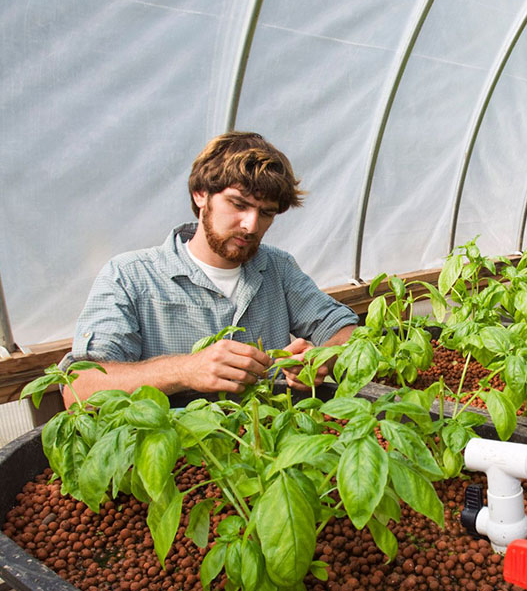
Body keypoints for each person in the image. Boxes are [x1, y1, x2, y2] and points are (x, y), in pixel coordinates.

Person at [62, 131, 358, 406]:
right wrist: (185, 370)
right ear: (200, 194)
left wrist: (319, 359)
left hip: (267, 449)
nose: (251, 225)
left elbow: (343, 329)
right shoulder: (130, 276)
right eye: (238, 204)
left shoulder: (276, 268)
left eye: (266, 213)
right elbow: (81, 388)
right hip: (182, 454)